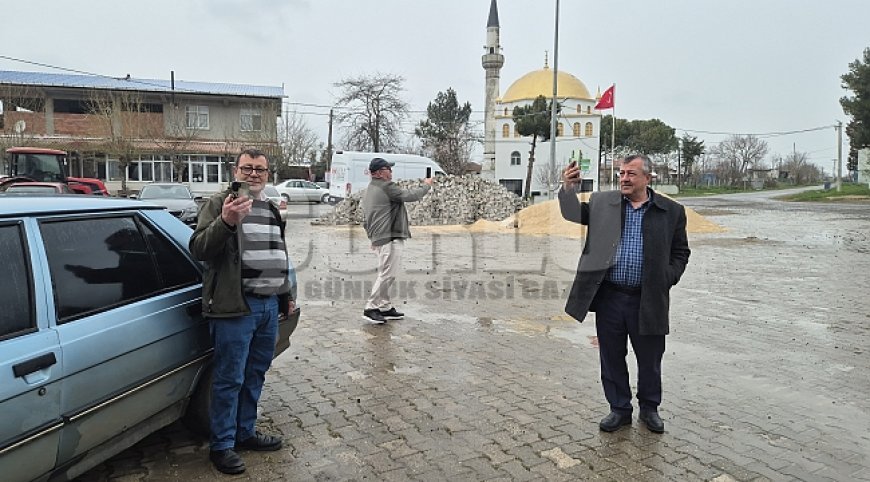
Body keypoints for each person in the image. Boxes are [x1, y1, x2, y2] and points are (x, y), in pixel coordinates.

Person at [558, 154, 690, 434]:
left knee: (650, 359)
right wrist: (568, 189)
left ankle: (650, 408)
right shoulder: (604, 203)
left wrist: (667, 277)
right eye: (621, 173)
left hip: (649, 298)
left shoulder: (671, 211)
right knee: (611, 356)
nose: (624, 178)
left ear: (647, 177)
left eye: (631, 173)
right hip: (611, 298)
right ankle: (619, 409)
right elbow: (572, 214)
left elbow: (681, 252)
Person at [189, 148, 295, 475]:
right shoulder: (219, 203)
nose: (253, 174)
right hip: (236, 307)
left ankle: (245, 432)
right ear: (235, 171)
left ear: (268, 174)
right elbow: (200, 248)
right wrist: (227, 221)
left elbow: (278, 253)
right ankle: (222, 445)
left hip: (268, 307)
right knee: (229, 378)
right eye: (247, 168)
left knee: (255, 374)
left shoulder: (270, 208)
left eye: (260, 169)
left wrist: (286, 293)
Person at [361, 157, 433, 323]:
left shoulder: (370, 189)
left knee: (388, 273)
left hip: (382, 236)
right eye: (388, 169)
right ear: (379, 173)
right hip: (389, 236)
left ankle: (384, 306)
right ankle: (371, 307)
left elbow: (366, 217)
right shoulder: (386, 186)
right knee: (387, 273)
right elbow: (410, 195)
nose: (391, 172)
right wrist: (427, 185)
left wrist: (372, 236)